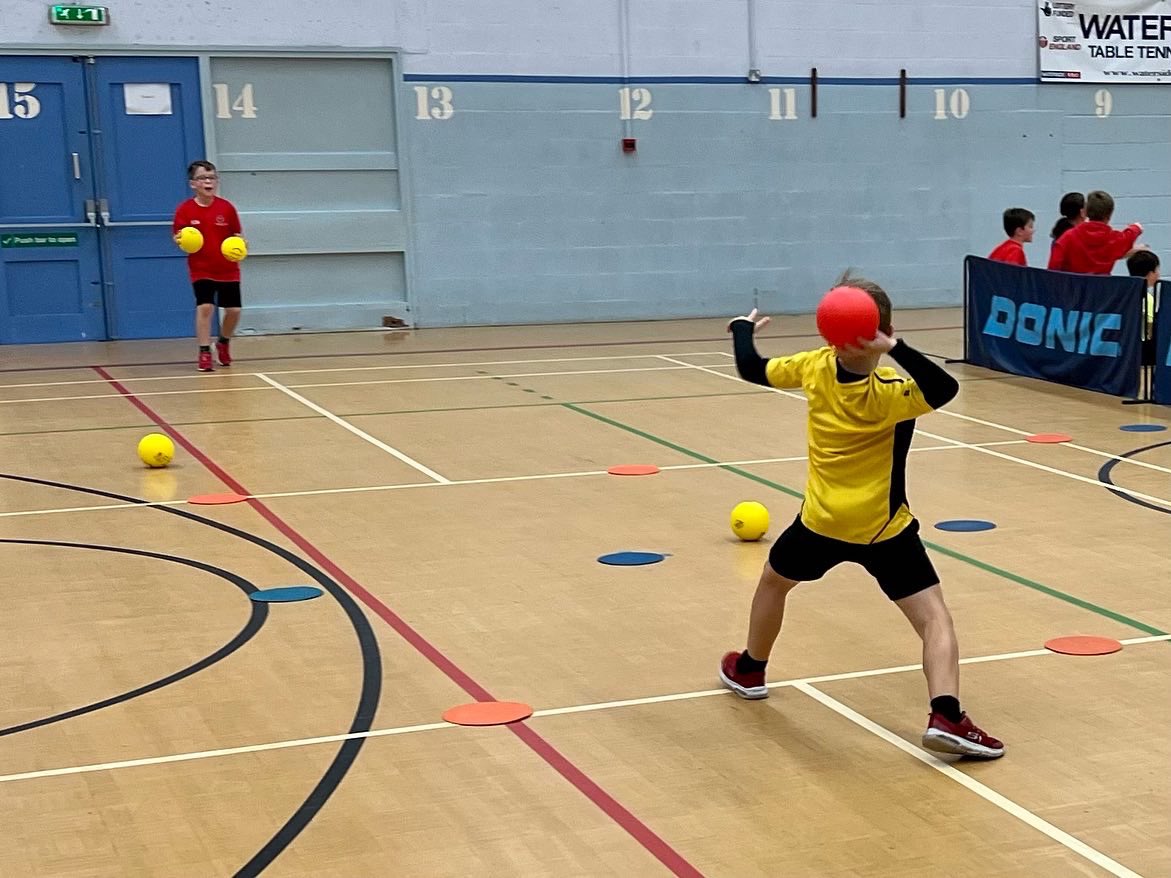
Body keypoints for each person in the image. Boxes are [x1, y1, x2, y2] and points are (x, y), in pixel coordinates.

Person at [718, 274, 1004, 759]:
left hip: (820, 523)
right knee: (934, 619)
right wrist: (896, 348)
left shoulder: (814, 367)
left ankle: (750, 668)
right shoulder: (895, 391)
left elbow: (752, 368)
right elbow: (945, 386)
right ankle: (947, 714)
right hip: (883, 529)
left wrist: (743, 329)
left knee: (773, 582)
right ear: (884, 330)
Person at [172, 160, 245, 372]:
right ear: (193, 183)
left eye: (211, 177)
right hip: (201, 268)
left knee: (233, 310)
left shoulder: (227, 208)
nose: (208, 182)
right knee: (205, 306)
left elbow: (237, 235)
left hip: (228, 268)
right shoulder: (185, 210)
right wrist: (180, 240)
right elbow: (177, 237)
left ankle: (223, 342)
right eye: (203, 178)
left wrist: (241, 245)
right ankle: (204, 352)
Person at [1047, 190, 1142, 275]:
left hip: (1072, 293)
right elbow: (1129, 235)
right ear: (1110, 215)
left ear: (1086, 212)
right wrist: (1136, 227)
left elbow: (1052, 270)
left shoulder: (1067, 237)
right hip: (1101, 293)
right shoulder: (1115, 239)